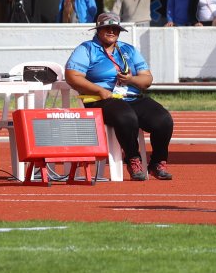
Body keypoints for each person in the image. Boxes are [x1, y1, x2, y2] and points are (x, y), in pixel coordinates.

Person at [65, 12, 173, 181]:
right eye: (106, 28)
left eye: (115, 29)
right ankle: (133, 159)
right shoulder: (86, 49)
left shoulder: (128, 50)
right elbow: (72, 76)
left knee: (163, 119)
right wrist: (99, 91)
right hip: (101, 99)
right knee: (126, 116)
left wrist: (132, 79)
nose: (111, 31)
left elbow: (147, 79)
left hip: (131, 96)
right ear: (98, 30)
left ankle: (157, 162)